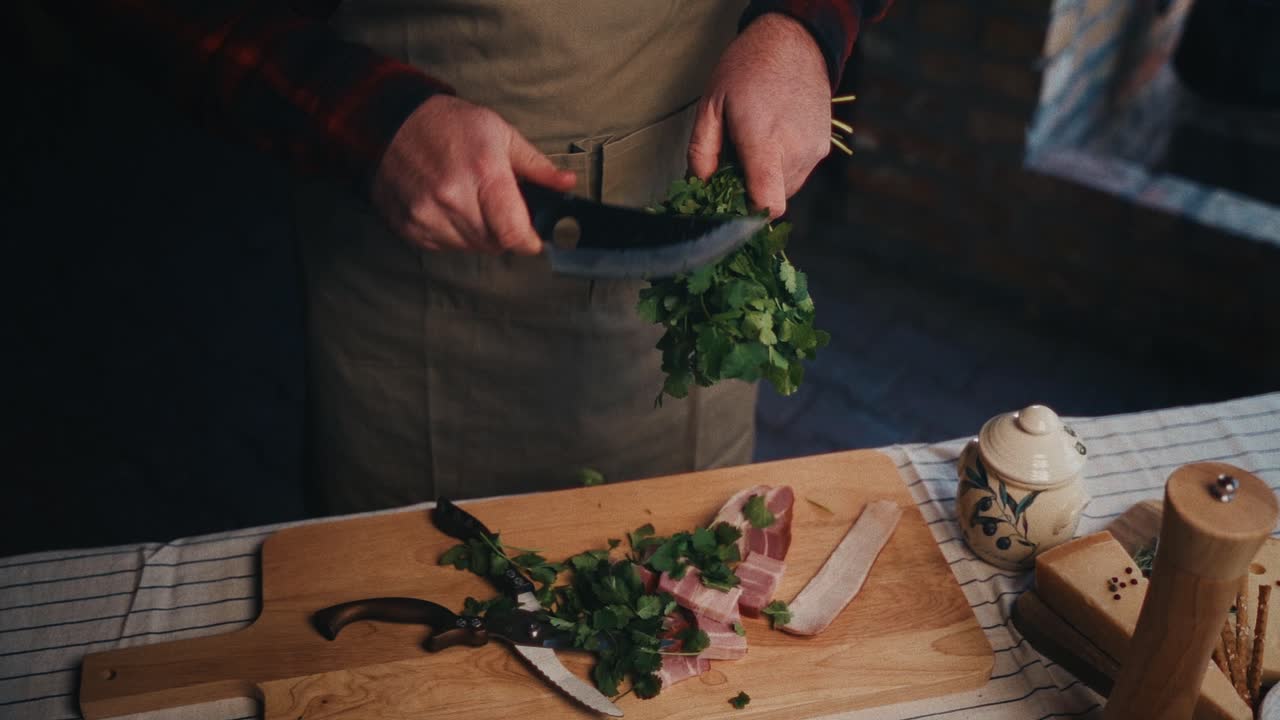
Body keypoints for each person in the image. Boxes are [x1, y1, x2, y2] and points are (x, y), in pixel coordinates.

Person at [45, 0, 890, 513]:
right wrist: (362, 117)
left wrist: (804, 29)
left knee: (679, 580)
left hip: (673, 245)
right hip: (419, 277)